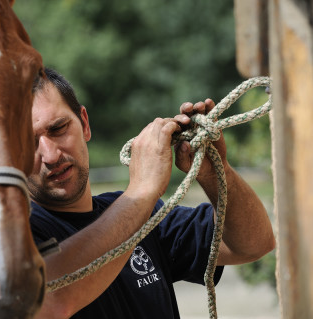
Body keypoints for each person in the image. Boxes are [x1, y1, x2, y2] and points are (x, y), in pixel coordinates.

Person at [28, 67, 275, 319]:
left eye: (58, 128)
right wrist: (142, 190)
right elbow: (50, 301)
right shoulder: (9, 238)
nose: (50, 155)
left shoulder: (144, 215)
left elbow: (253, 244)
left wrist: (216, 173)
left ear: (84, 123)